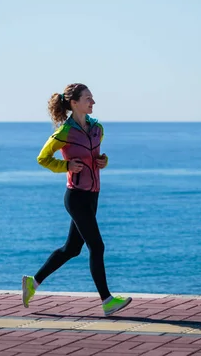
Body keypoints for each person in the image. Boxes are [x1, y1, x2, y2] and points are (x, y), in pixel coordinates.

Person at [21, 83, 131, 316]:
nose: (93, 102)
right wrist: (67, 165)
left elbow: (96, 157)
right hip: (76, 196)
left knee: (72, 249)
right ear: (74, 103)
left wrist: (104, 160)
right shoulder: (64, 133)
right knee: (97, 246)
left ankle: (33, 282)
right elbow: (43, 158)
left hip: (93, 196)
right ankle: (107, 301)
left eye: (92, 98)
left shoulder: (97, 128)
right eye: (88, 98)